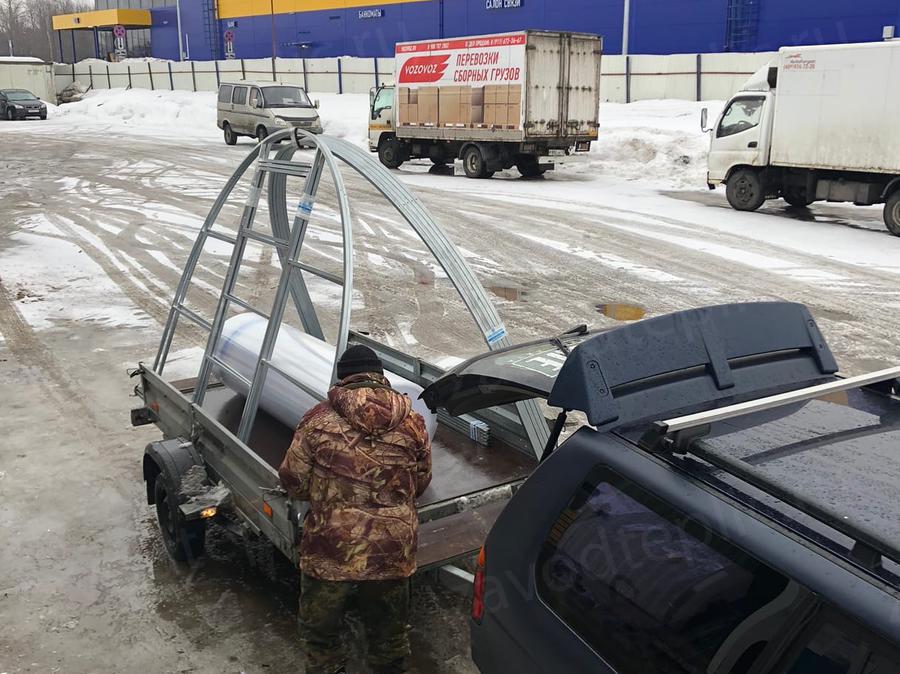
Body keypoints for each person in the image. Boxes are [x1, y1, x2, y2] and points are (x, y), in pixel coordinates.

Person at [278, 344, 432, 674]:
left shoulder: (317, 421)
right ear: (380, 377)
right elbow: (421, 482)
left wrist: (328, 499)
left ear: (342, 379)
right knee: (389, 637)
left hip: (330, 549)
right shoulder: (414, 423)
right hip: (391, 549)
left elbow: (293, 480)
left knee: (322, 637)